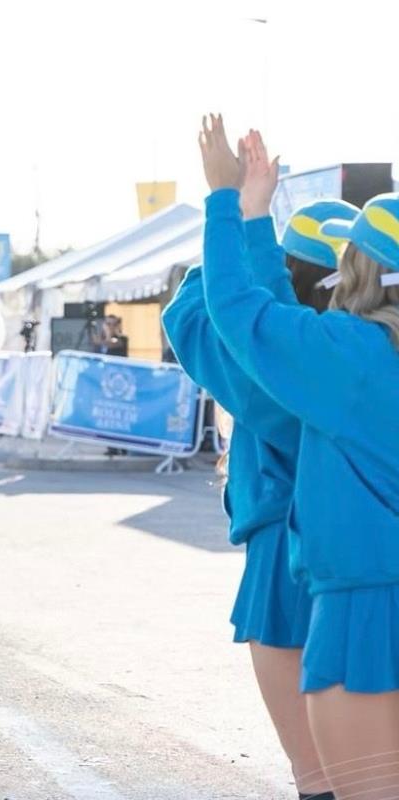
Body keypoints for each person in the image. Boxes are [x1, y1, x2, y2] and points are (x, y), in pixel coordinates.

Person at [199, 115, 399, 800]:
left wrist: (234, 207)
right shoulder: (348, 356)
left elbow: (238, 312)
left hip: (366, 609)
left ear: (362, 272)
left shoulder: (353, 359)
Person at [164, 122, 351, 800]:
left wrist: (242, 215)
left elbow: (194, 310)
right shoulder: (363, 361)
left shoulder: (272, 369)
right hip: (358, 563)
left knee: (321, 781)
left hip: (285, 557)